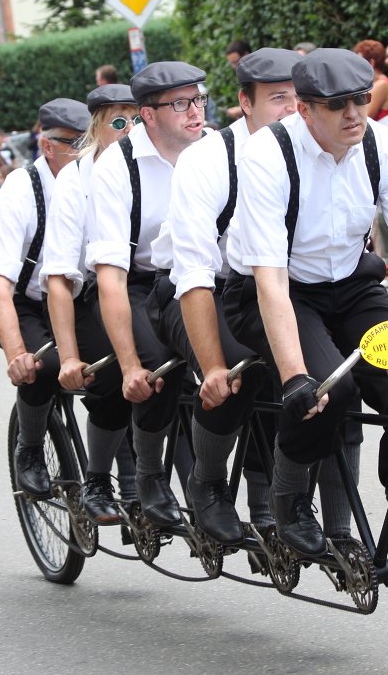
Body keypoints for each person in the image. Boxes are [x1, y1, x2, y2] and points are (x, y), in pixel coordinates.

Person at [222, 48, 388, 557]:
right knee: (329, 391)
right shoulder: (267, 156)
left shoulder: (384, 147)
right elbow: (270, 279)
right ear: (305, 110)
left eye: (360, 100)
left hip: (352, 286)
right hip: (276, 290)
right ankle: (289, 499)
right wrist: (294, 377)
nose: (353, 114)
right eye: (336, 104)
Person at [147, 48, 300, 544]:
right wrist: (213, 366)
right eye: (280, 99)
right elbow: (192, 272)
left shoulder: (303, 147)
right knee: (241, 371)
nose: (293, 110)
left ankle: (270, 494)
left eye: (301, 99)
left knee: (305, 375)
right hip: (189, 288)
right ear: (245, 103)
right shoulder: (208, 159)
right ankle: (207, 484)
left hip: (262, 287)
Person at [85, 61, 209, 528]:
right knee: (158, 369)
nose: (195, 112)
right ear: (149, 115)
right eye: (181, 104)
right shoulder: (115, 165)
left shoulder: (214, 147)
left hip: (199, 277)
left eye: (198, 100)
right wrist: (131, 365)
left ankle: (242, 486)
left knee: (245, 364)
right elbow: (111, 277)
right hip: (137, 282)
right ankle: (148, 475)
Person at [0, 98, 91, 498]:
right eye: (76, 144)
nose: (86, 153)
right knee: (42, 368)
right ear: (48, 146)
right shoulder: (21, 189)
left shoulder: (97, 179)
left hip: (78, 299)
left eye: (91, 142)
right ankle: (28, 449)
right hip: (25, 300)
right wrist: (16, 355)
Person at [43, 86, 141, 523]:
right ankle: (98, 480)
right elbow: (61, 276)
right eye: (120, 122)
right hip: (92, 290)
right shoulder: (74, 178)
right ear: (96, 127)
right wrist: (66, 357)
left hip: (149, 286)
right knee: (116, 369)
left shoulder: (156, 166)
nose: (131, 130)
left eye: (138, 120)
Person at [354, 39, 388, 127]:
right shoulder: (379, 83)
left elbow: (363, 116)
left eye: (359, 62)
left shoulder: (381, 85)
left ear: (371, 63)